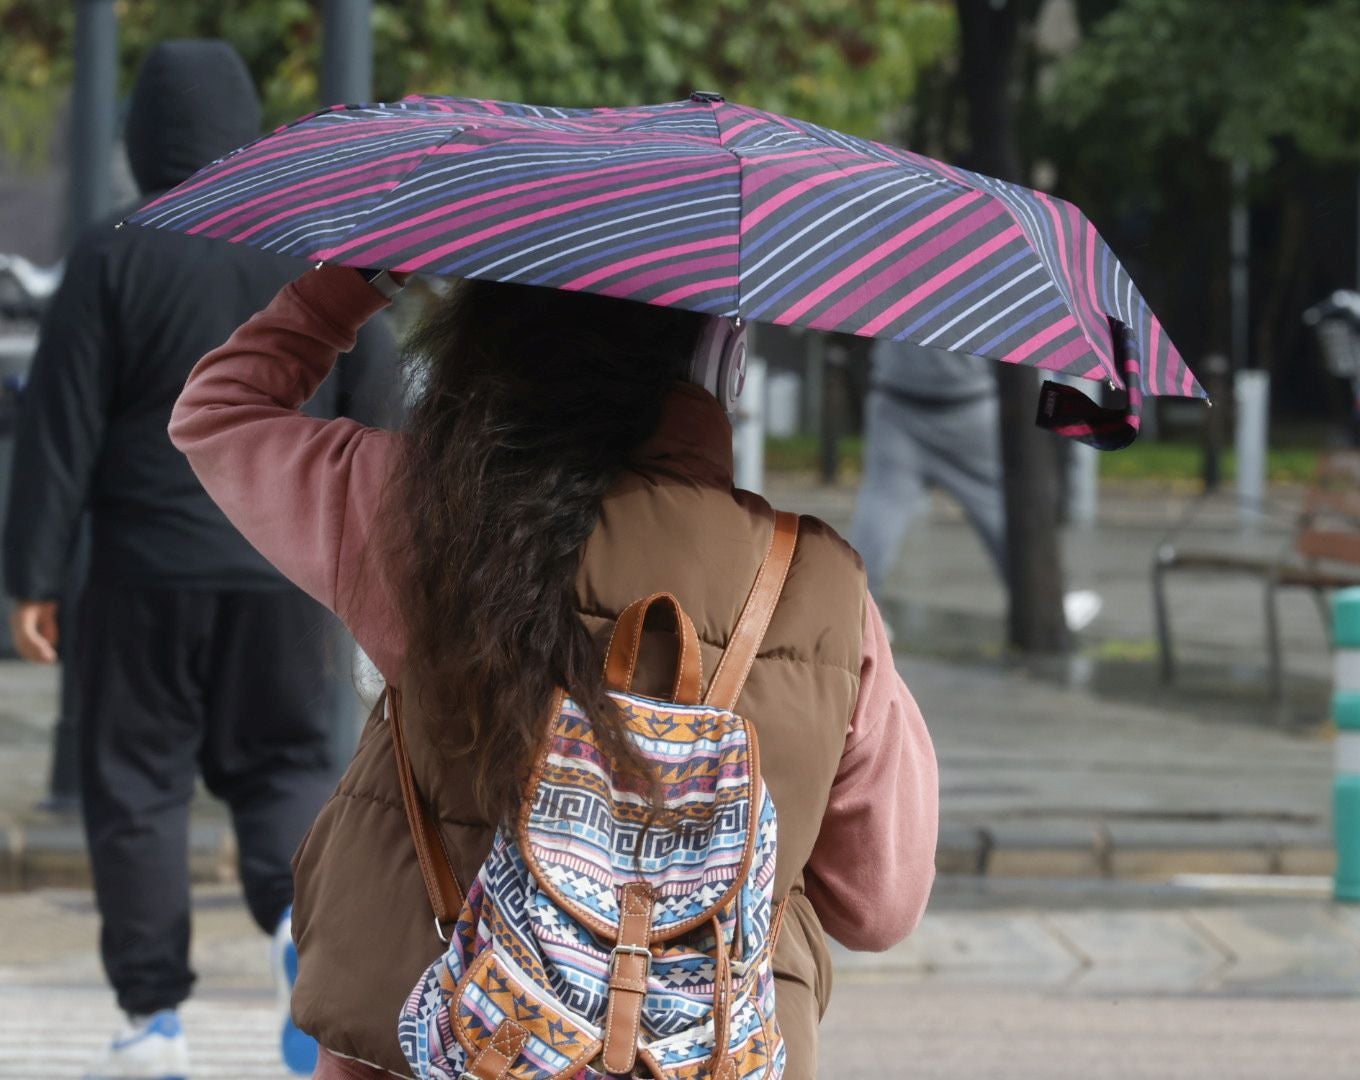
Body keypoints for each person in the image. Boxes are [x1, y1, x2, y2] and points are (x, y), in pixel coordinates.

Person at [167, 265, 940, 1080]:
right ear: (718, 360)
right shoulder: (818, 585)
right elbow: (878, 903)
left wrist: (356, 279)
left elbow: (220, 412)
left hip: (443, 1039)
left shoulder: (422, 512)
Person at [2, 41, 396, 1080]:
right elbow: (380, 407)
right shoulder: (311, 249)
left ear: (143, 134)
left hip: (141, 570)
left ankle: (153, 1028)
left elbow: (60, 425)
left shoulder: (114, 250)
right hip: (290, 572)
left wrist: (32, 576)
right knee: (282, 766)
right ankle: (291, 930)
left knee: (135, 785)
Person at [850, 337, 1101, 632]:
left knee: (880, 509)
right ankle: (1046, 602)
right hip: (964, 404)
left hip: (899, 400)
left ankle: (850, 612)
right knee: (1000, 512)